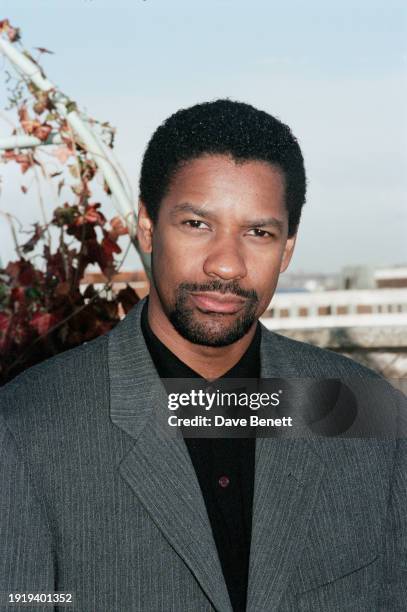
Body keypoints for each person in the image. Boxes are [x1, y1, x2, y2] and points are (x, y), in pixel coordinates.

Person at [0, 99, 405, 612]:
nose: (227, 265)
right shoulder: (26, 429)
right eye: (197, 224)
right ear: (146, 226)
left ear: (288, 249)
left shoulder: (370, 415)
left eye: (258, 232)